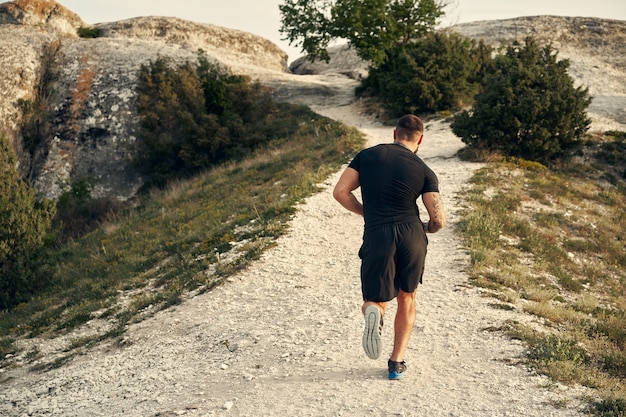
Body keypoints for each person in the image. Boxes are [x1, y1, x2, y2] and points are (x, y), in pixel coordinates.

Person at [333, 114, 446, 380]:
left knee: (376, 296)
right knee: (407, 295)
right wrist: (426, 228)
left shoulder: (367, 156)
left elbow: (340, 192)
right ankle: (396, 363)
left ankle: (374, 310)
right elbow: (438, 219)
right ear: (421, 140)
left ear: (394, 133)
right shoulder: (424, 170)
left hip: (378, 232)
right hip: (412, 234)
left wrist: (366, 213)